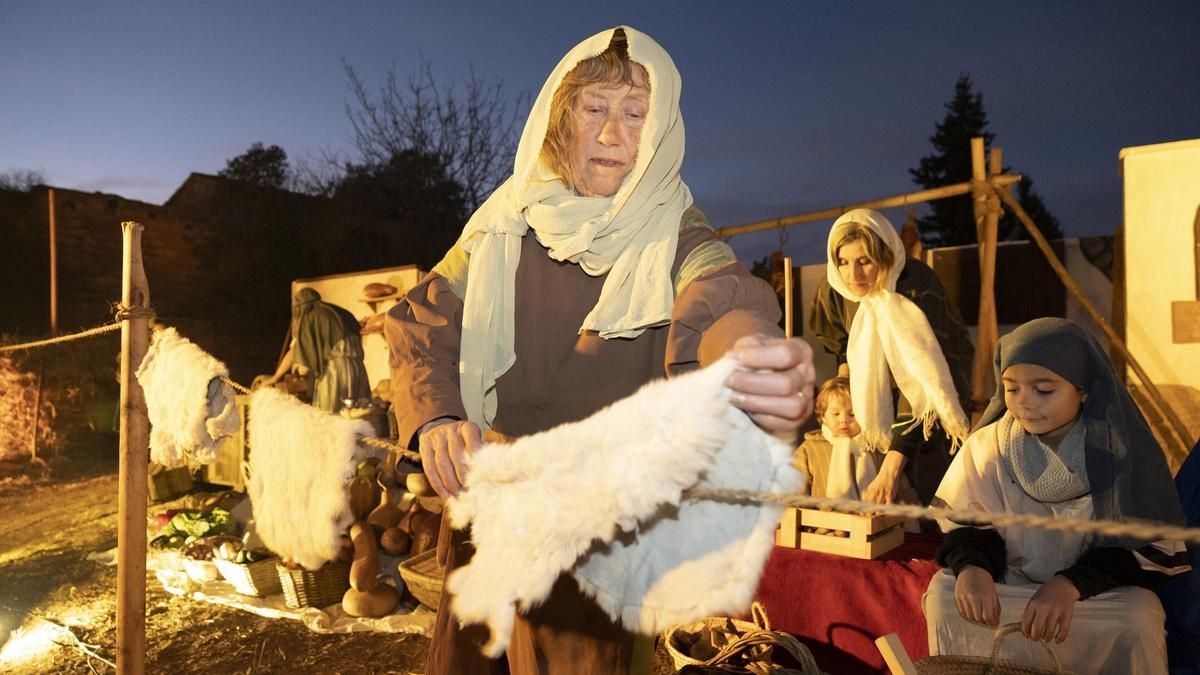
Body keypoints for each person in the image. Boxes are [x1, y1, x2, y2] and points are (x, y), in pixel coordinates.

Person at [384, 26, 815, 675]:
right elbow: (423, 320)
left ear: (660, 128)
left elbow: (722, 297)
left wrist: (749, 352)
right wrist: (437, 413)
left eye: (635, 113)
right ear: (563, 119)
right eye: (596, 109)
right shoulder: (504, 225)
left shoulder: (675, 232)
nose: (614, 133)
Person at [924, 318, 1189, 674]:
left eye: (1044, 390)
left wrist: (1070, 585)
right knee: (944, 594)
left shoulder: (1121, 451)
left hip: (1088, 597)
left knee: (1139, 615)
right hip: (1013, 588)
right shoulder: (989, 447)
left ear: (1082, 389)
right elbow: (968, 520)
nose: (1025, 403)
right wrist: (973, 566)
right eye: (1012, 389)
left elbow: (1140, 547)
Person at [809, 208, 973, 506]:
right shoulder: (835, 287)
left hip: (927, 415)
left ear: (885, 257)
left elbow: (924, 381)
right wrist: (847, 377)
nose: (853, 275)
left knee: (928, 503)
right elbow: (835, 335)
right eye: (843, 262)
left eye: (865, 261)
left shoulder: (917, 285)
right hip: (874, 411)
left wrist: (892, 466)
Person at [794, 375, 917, 504]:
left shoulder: (878, 447)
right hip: (822, 523)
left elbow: (902, 493)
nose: (843, 420)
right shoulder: (810, 449)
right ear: (823, 416)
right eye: (836, 414)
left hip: (870, 521)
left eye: (852, 414)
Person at [261, 288, 369, 413]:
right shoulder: (341, 313)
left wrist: (276, 378)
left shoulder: (310, 317)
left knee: (330, 417)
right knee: (359, 417)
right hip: (358, 370)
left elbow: (302, 365)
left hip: (334, 373)